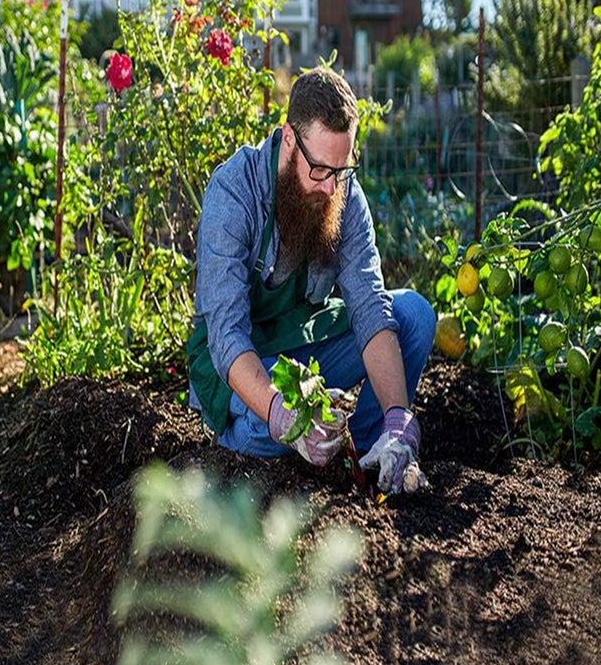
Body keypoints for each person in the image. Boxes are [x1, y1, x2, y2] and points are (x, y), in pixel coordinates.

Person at [186, 66, 435, 494]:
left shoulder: (342, 192)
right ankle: (270, 436)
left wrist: (399, 414)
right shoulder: (233, 194)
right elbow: (226, 336)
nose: (331, 185)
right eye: (320, 169)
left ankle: (371, 447)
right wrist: (281, 412)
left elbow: (370, 307)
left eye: (343, 169)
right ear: (288, 141)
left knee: (414, 315)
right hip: (247, 363)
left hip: (306, 348)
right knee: (265, 427)